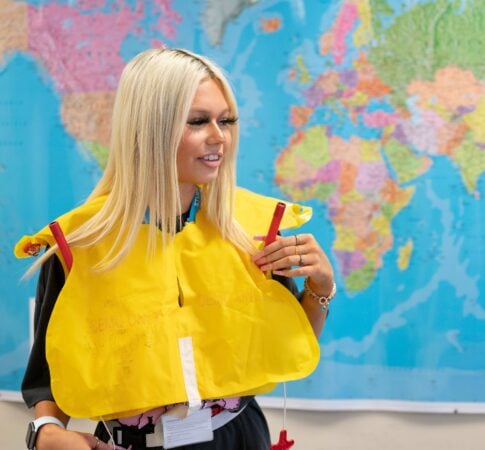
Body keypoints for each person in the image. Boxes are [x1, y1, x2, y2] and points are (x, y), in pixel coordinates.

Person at [15, 48, 335, 450]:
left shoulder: (250, 228)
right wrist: (45, 432)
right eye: (199, 121)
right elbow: (49, 372)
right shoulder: (81, 242)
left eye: (226, 120)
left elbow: (288, 340)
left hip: (239, 437)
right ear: (150, 128)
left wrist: (321, 286)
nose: (219, 137)